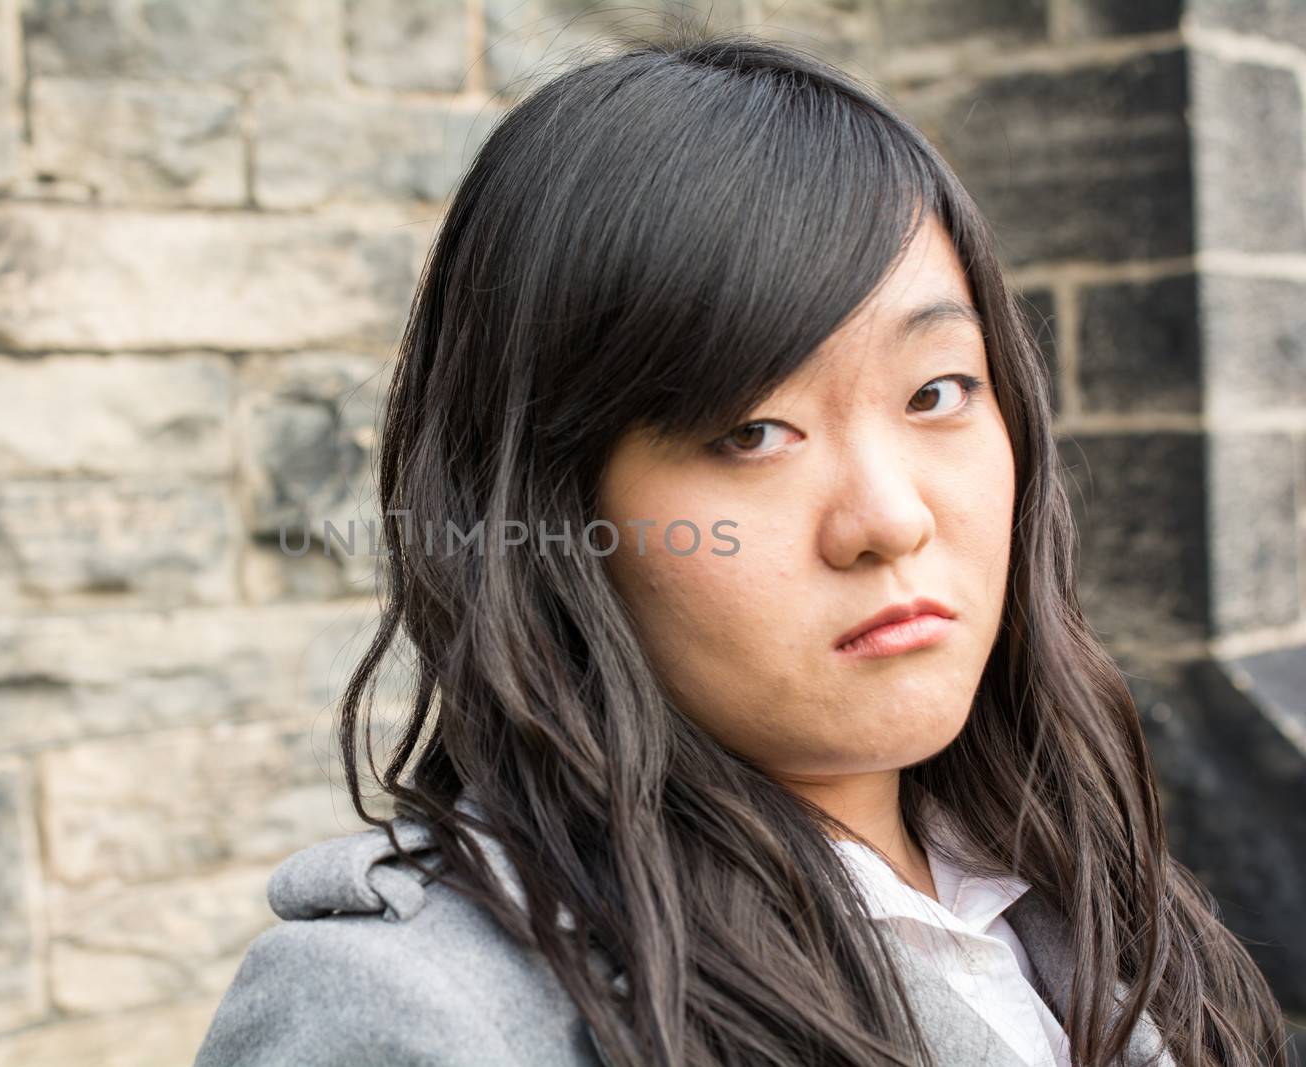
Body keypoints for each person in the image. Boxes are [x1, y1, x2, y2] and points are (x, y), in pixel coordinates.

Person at [191, 27, 1289, 1067]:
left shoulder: (1075, 882)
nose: (889, 518)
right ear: (551, 508)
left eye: (936, 390)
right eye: (751, 433)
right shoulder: (415, 1014)